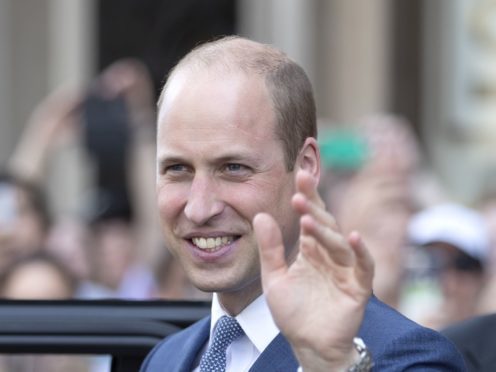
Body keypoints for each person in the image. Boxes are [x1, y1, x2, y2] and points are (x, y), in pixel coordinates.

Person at [141, 36, 465, 371]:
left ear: (306, 167)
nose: (199, 208)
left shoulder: (408, 360)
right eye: (177, 169)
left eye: (233, 168)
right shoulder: (164, 359)